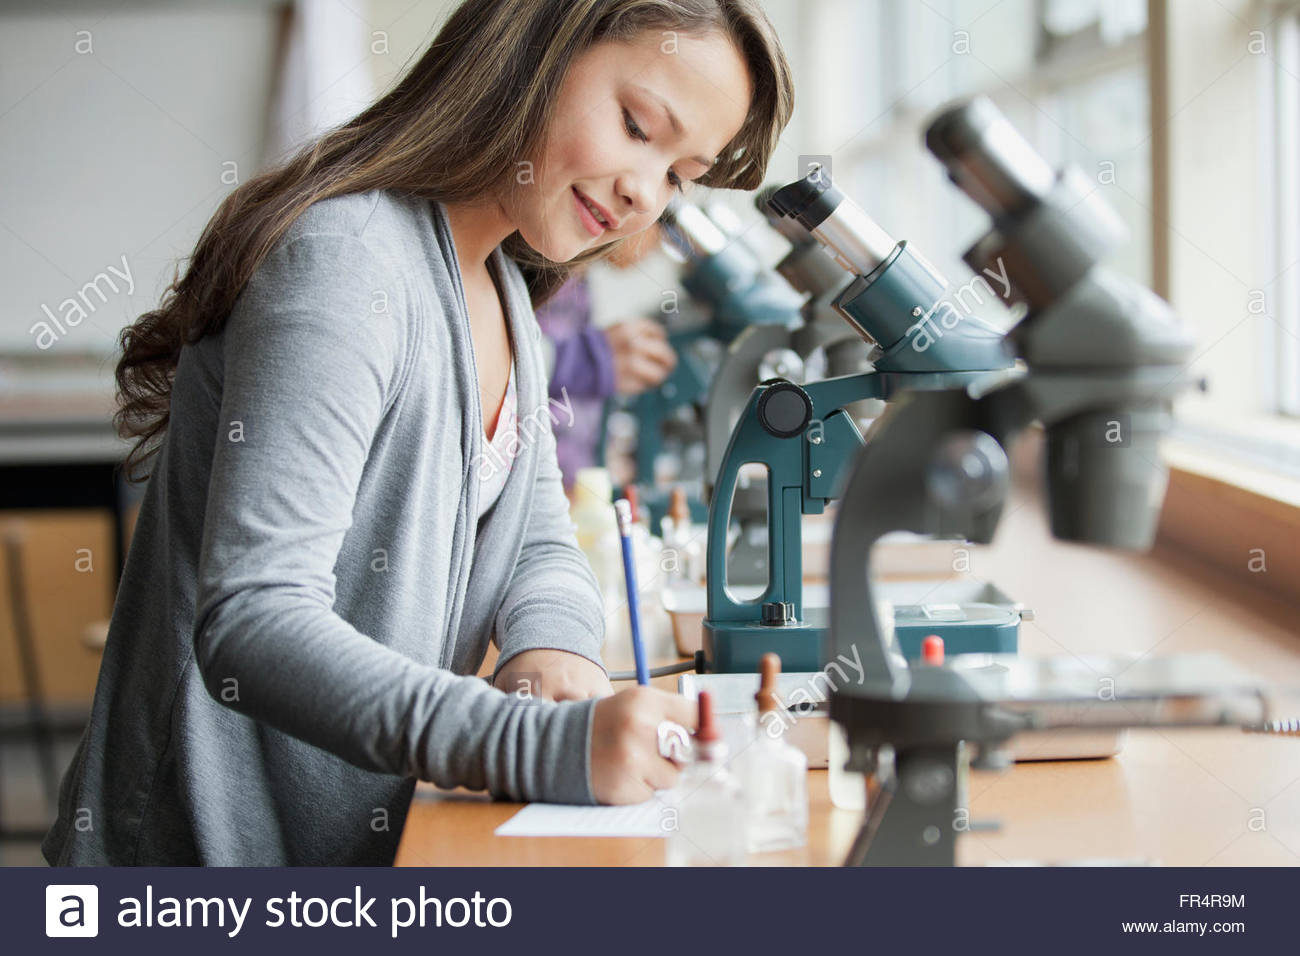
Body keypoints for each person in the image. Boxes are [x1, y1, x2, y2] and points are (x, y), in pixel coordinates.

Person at [42, 0, 792, 865]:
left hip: (348, 848)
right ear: (531, 52)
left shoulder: (506, 291)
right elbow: (254, 620)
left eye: (678, 174)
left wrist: (554, 655)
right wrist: (535, 744)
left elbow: (538, 537)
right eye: (635, 126)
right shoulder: (347, 261)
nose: (642, 192)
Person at [537, 226, 677, 489]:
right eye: (661, 226)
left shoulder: (578, 280)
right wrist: (583, 360)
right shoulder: (539, 265)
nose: (658, 245)